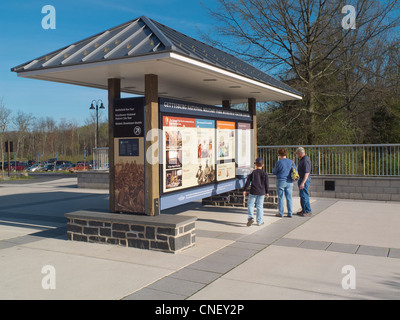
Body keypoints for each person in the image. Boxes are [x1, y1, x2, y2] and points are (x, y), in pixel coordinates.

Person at [243, 157, 269, 226]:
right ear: (263, 165)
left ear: (255, 165)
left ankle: (251, 217)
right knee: (259, 206)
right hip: (261, 192)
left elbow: (248, 182)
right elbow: (266, 184)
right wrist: (267, 192)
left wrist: (245, 190)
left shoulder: (252, 173)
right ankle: (259, 221)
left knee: (250, 205)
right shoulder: (265, 174)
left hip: (253, 191)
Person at [272, 148, 296, 218]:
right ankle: (290, 213)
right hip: (289, 181)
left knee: (281, 198)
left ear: (279, 154)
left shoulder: (279, 162)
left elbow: (274, 172)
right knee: (289, 198)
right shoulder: (291, 162)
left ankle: (281, 213)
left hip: (281, 181)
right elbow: (295, 170)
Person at [296, 147, 312, 217]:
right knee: (302, 195)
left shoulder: (305, 160)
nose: (297, 156)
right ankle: (303, 210)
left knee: (304, 195)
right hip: (301, 178)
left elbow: (307, 172)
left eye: (297, 154)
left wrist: (303, 182)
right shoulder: (302, 159)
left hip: (304, 179)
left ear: (300, 153)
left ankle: (308, 211)